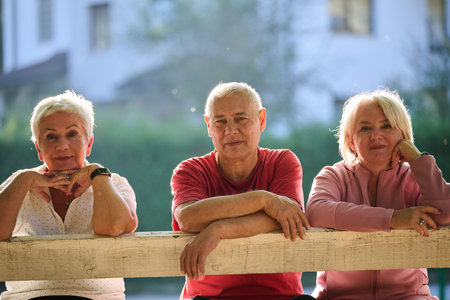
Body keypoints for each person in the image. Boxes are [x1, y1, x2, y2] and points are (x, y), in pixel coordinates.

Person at [171, 82, 314, 300]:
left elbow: (286, 216)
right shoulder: (190, 170)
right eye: (220, 122)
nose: (231, 130)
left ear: (261, 119)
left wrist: (218, 229)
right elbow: (188, 218)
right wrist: (263, 200)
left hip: (281, 296)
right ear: (209, 126)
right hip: (208, 298)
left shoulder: (283, 162)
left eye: (241, 119)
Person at [306, 89, 449, 300]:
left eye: (387, 126)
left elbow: (444, 213)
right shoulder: (333, 176)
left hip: (408, 296)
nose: (376, 135)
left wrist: (418, 160)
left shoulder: (416, 178)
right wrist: (393, 218)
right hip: (339, 297)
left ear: (403, 135)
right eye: (365, 128)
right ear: (351, 140)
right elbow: (317, 210)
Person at [0, 91, 138, 300]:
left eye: (72, 134)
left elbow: (113, 227)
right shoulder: (19, 184)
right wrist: (24, 179)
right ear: (39, 148)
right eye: (51, 137)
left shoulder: (114, 183)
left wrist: (97, 172)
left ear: (89, 143)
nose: (62, 145)